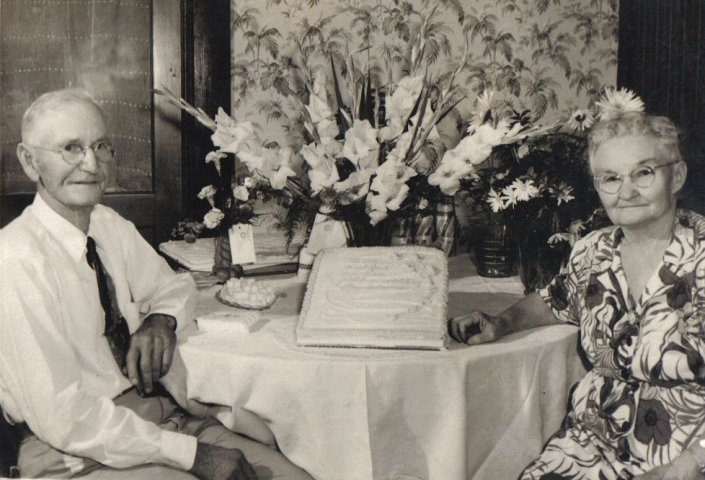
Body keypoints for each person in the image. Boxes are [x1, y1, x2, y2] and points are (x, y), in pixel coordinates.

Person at [0, 89, 312, 480]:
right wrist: (194, 455)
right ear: (30, 162)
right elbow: (63, 416)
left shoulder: (107, 226)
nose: (91, 163)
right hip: (74, 450)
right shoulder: (15, 259)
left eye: (100, 146)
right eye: (71, 148)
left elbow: (176, 285)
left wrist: (160, 319)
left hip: (159, 419)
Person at [450, 112, 705, 479]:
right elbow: (556, 299)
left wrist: (689, 464)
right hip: (590, 446)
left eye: (644, 173)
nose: (627, 191)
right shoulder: (594, 250)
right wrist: (502, 322)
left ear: (676, 176)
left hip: (683, 457)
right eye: (611, 179)